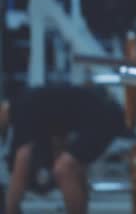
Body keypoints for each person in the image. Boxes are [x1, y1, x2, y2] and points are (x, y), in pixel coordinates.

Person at [0, 85, 126, 214]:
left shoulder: (21, 111)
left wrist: (10, 209)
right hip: (105, 113)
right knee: (70, 169)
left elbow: (21, 165)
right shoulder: (27, 102)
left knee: (63, 169)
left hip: (104, 117)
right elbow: (58, 141)